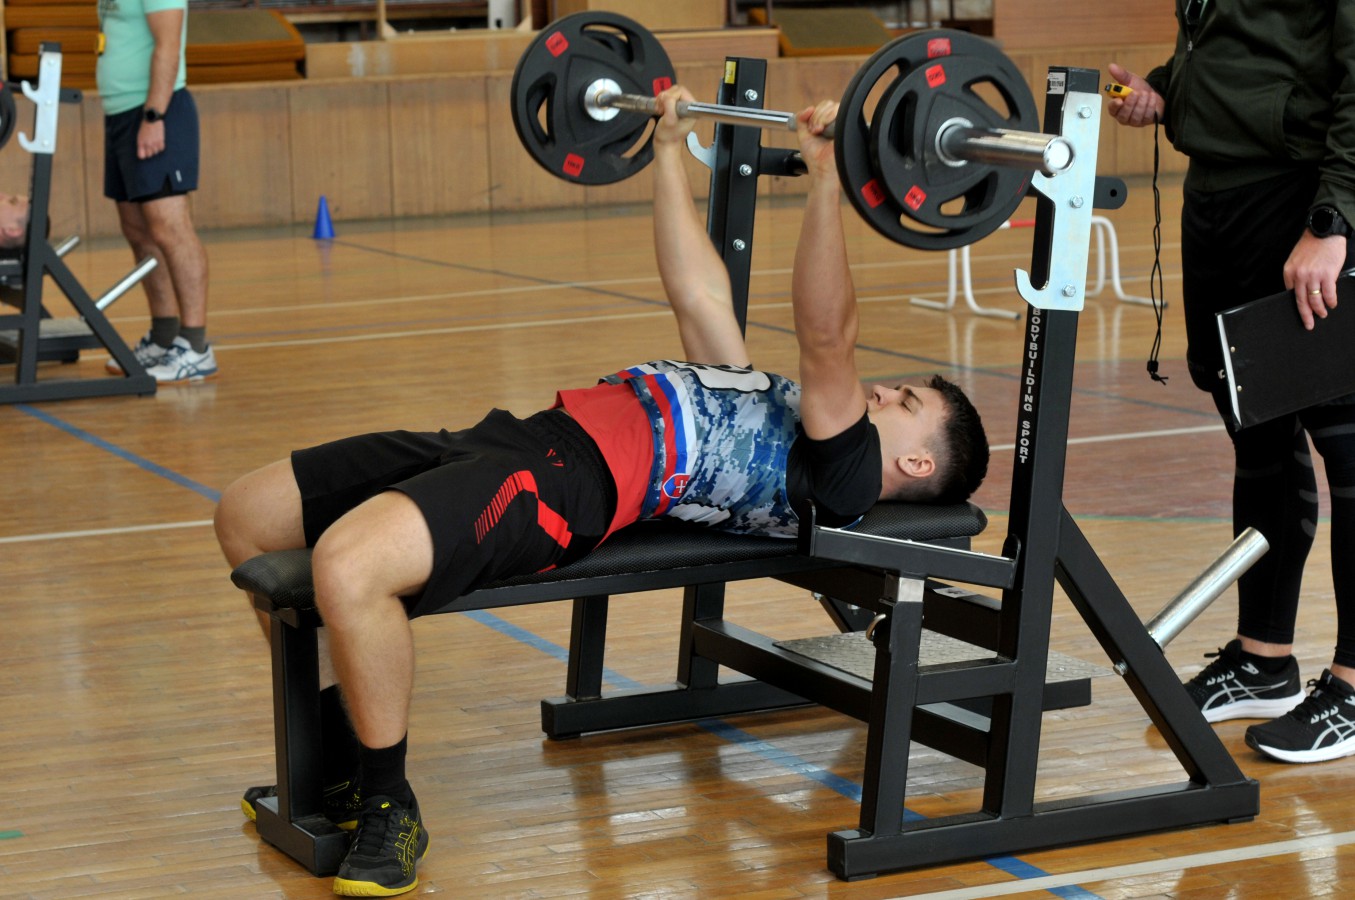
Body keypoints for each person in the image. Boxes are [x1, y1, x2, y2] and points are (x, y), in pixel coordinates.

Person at [214, 88, 989, 896]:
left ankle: (387, 803)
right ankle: (339, 759)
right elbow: (698, 294)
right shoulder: (778, 408)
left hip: (564, 486)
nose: (885, 391)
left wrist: (826, 179)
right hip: (519, 438)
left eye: (906, 403)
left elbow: (828, 335)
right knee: (249, 515)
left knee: (348, 567)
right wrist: (666, 153)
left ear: (915, 465)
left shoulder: (845, 476)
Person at [1108, 2, 1355, 764]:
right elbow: (1242, 46)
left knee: (1347, 449)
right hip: (1219, 201)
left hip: (1302, 205)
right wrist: (1167, 90)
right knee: (1259, 442)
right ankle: (1262, 660)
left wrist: (1332, 220)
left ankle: (1353, 686)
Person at [96, 0, 216, 383]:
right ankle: (164, 336)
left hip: (154, 112)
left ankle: (195, 345)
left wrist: (154, 115)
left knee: (169, 227)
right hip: (120, 113)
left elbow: (168, 43)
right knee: (138, 230)